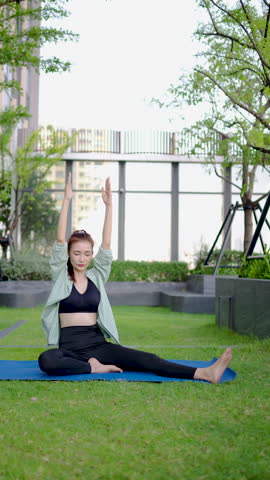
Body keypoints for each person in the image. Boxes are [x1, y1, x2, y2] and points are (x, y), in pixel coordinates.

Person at [39, 173, 232, 383]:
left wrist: (109, 206)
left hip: (99, 346)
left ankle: (204, 373)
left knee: (148, 359)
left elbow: (106, 244)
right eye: (76, 253)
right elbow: (59, 239)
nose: (82, 258)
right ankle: (92, 368)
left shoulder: (97, 276)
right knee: (47, 360)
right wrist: (67, 200)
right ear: (68, 254)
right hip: (71, 351)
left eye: (87, 253)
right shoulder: (61, 276)